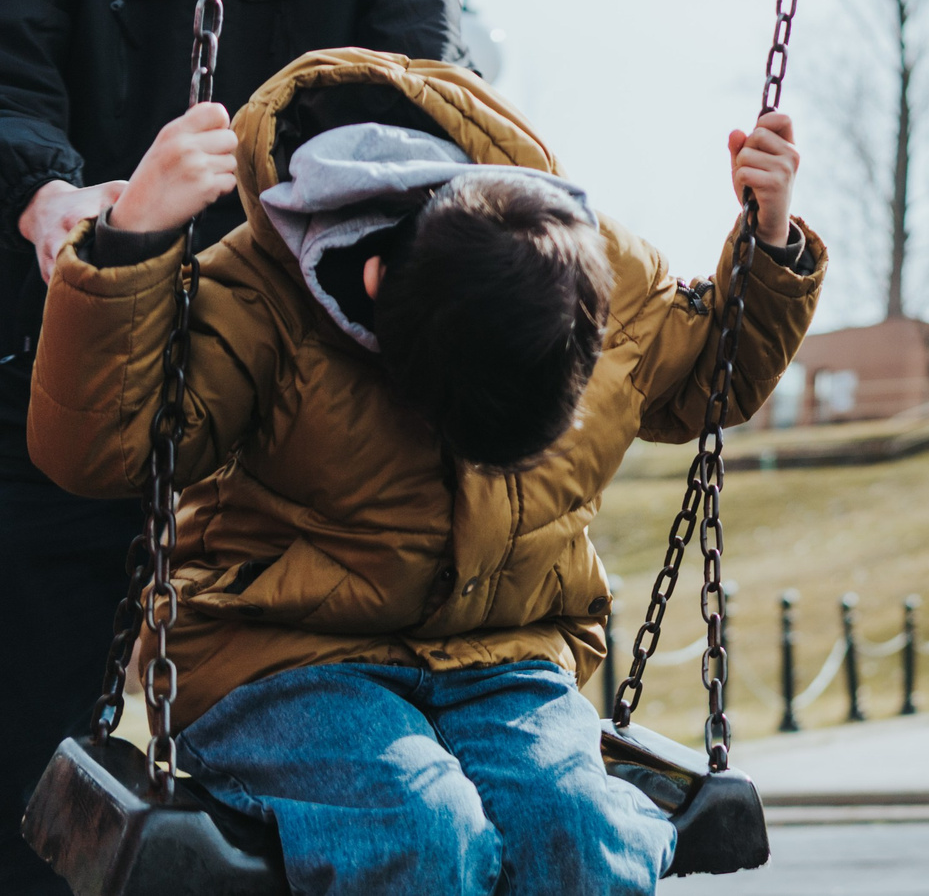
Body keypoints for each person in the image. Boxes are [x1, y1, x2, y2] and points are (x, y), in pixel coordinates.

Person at [26, 48, 825, 896]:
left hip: (504, 657)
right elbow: (106, 448)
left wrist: (767, 240)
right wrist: (132, 241)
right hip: (282, 658)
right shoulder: (263, 293)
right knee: (421, 829)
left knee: (584, 837)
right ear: (372, 283)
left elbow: (709, 376)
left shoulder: (592, 270)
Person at [0, 0, 469, 895]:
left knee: (346, 786)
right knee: (33, 782)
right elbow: (8, 79)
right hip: (63, 376)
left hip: (291, 399)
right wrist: (48, 194)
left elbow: (432, 94)